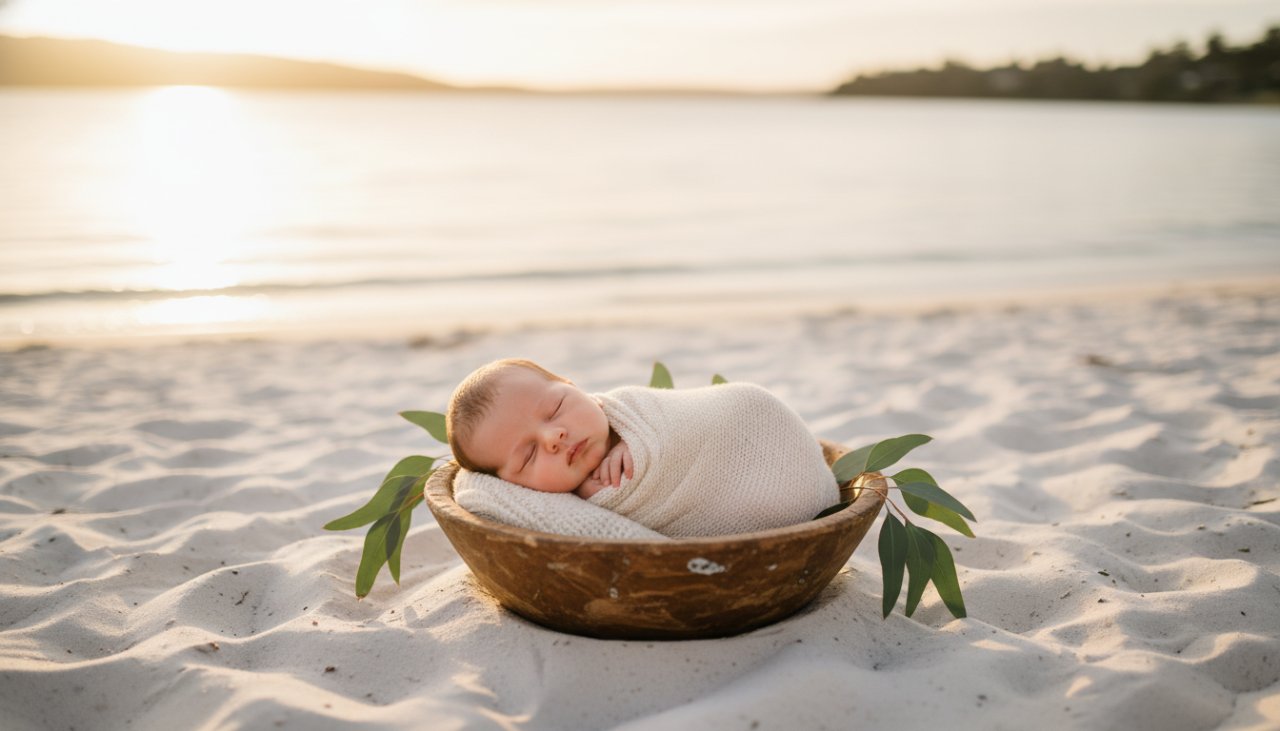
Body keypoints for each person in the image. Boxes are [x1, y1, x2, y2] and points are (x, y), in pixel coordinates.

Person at [446, 358, 838, 539]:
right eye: (529, 456)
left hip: (752, 421)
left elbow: (695, 418)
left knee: (748, 399)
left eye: (556, 408)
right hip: (751, 507)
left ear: (574, 386)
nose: (553, 437)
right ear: (515, 486)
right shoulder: (562, 507)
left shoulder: (633, 409)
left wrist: (640, 447)